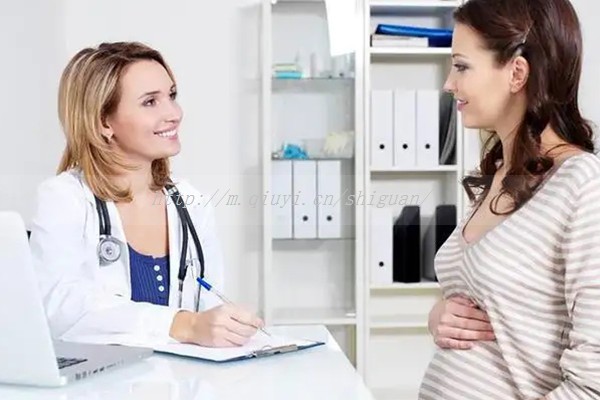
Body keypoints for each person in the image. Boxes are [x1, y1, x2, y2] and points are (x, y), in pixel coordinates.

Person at [419, 0, 600, 398]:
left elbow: (593, 382)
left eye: (461, 66)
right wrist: (438, 315)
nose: (449, 84)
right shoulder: (502, 173)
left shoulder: (582, 185)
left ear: (517, 73)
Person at [29, 42, 264, 348]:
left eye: (172, 96)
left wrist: (227, 326)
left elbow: (207, 307)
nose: (174, 113)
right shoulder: (65, 199)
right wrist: (182, 324)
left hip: (182, 376)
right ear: (103, 122)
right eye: (150, 102)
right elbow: (58, 308)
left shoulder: (191, 203)